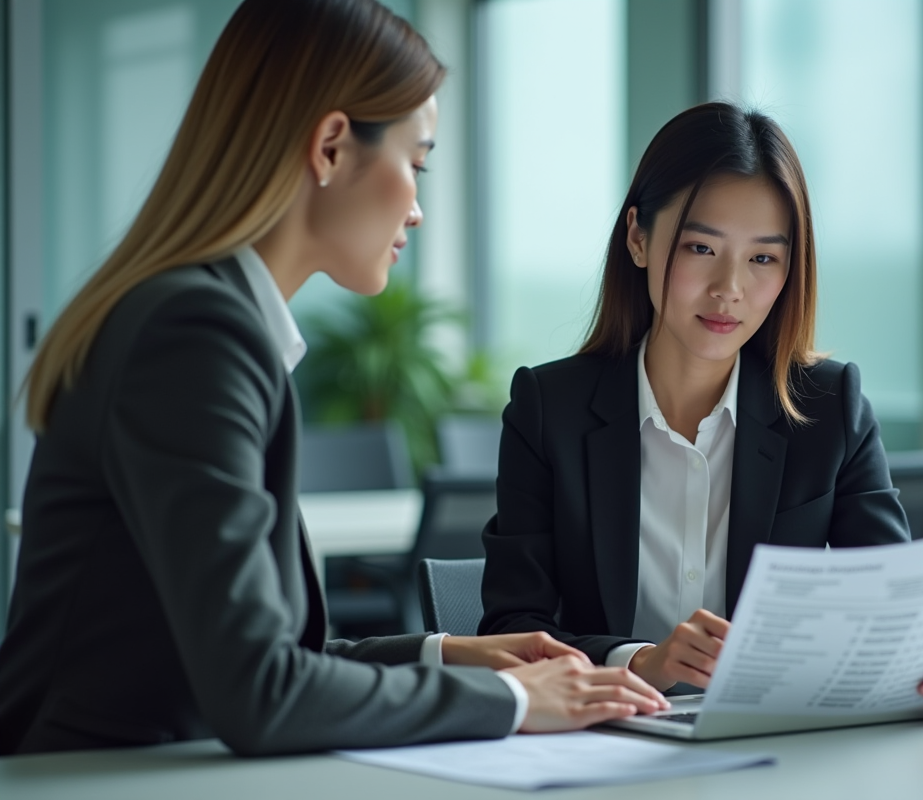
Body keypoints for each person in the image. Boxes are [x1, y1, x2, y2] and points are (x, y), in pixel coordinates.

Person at [0, 0, 667, 757]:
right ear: (330, 148)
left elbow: (271, 661)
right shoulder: (194, 336)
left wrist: (447, 655)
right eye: (416, 165)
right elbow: (262, 693)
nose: (418, 211)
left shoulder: (205, 321)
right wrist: (516, 700)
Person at [479, 103, 923, 721]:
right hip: (605, 739)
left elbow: (892, 612)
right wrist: (643, 662)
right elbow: (512, 631)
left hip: (776, 741)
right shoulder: (548, 410)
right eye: (701, 247)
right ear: (638, 238)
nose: (730, 288)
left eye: (763, 258)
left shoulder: (830, 408)